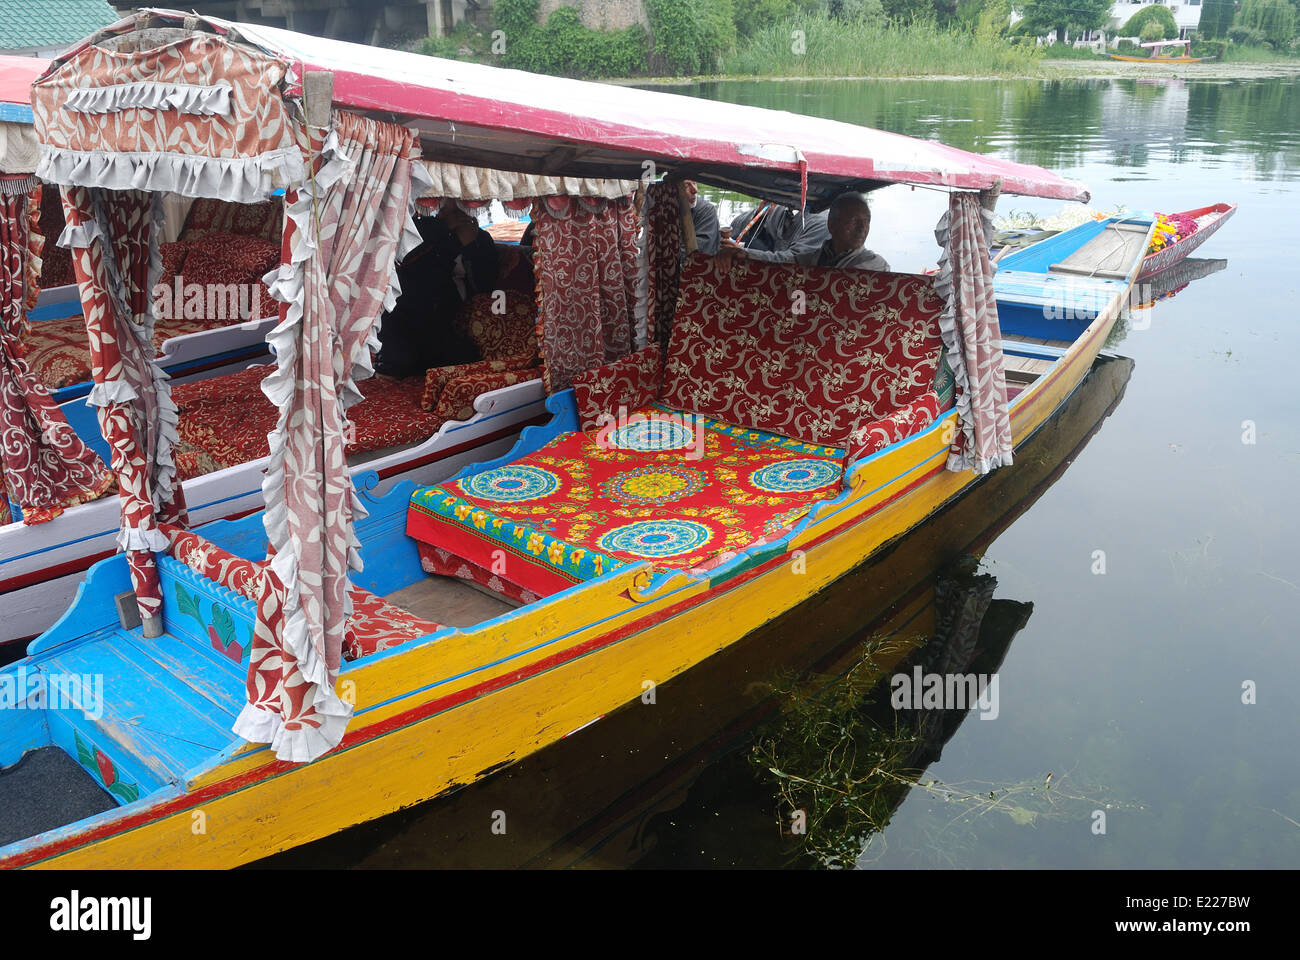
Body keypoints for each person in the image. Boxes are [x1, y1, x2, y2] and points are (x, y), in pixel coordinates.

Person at [375, 200, 500, 378]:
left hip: (445, 320)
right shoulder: (421, 230)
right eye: (447, 207)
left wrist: (471, 246)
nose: (455, 212)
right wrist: (453, 240)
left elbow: (485, 284)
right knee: (395, 364)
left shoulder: (481, 238)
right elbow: (416, 274)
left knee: (465, 360)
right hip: (406, 315)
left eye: (461, 208)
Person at [718, 192, 888, 272]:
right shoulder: (815, 257)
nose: (862, 228)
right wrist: (742, 253)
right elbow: (784, 260)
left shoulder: (875, 265)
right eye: (854, 221)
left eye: (866, 222)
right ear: (832, 225)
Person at [729, 202, 829, 256]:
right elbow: (736, 228)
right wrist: (759, 216)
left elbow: (794, 260)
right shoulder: (781, 206)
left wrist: (746, 253)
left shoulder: (821, 221)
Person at [683, 179, 720, 255]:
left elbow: (699, 250)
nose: (695, 190)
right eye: (686, 185)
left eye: (694, 183)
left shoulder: (707, 210)